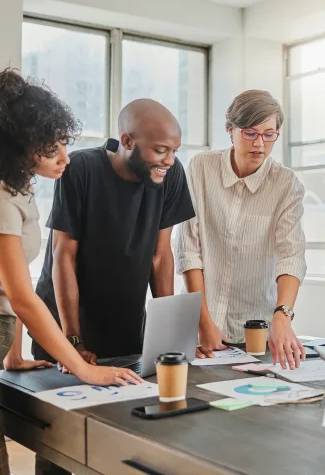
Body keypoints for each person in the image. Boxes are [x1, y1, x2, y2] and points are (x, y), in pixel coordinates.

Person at [0, 69, 141, 475]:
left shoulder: (13, 193)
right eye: (50, 146)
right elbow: (22, 298)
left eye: (63, 142)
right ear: (19, 149)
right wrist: (84, 368)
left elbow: (6, 287)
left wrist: (15, 357)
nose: (65, 156)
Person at [31, 98, 195, 474]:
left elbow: (160, 254)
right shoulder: (81, 169)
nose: (169, 159)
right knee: (60, 443)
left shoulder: (170, 174)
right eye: (160, 150)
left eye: (174, 151)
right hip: (64, 329)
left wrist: (166, 332)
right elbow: (63, 256)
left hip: (125, 329)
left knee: (123, 440)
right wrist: (74, 341)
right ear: (127, 140)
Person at [176, 90, 307, 370]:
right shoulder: (201, 169)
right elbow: (189, 250)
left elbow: (291, 255)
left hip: (256, 331)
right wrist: (204, 322)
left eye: (269, 134)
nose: (260, 143)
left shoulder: (286, 184)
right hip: (201, 329)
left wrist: (282, 316)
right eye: (250, 133)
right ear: (230, 131)